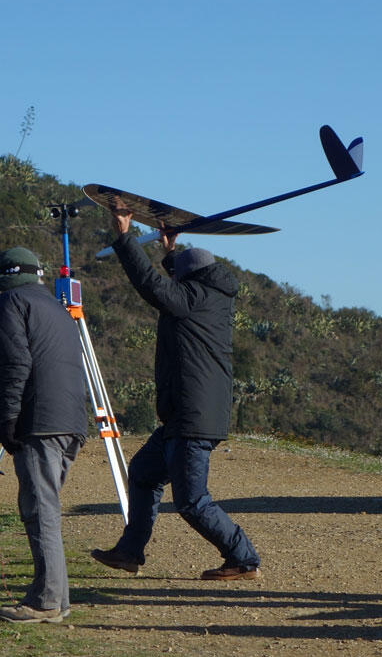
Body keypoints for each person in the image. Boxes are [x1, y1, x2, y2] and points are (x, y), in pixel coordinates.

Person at [90, 210, 261, 580]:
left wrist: (125, 237)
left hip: (192, 417)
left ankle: (243, 558)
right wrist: (171, 253)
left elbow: (153, 287)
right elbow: (172, 287)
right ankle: (130, 552)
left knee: (192, 501)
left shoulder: (193, 297)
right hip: (184, 414)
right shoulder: (209, 294)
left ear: (188, 279)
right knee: (143, 473)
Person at [0, 246, 88, 623]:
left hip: (40, 424)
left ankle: (46, 601)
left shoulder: (9, 304)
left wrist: (7, 422)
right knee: (46, 506)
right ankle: (56, 598)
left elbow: (14, 366)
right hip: (71, 423)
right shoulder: (57, 309)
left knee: (39, 510)